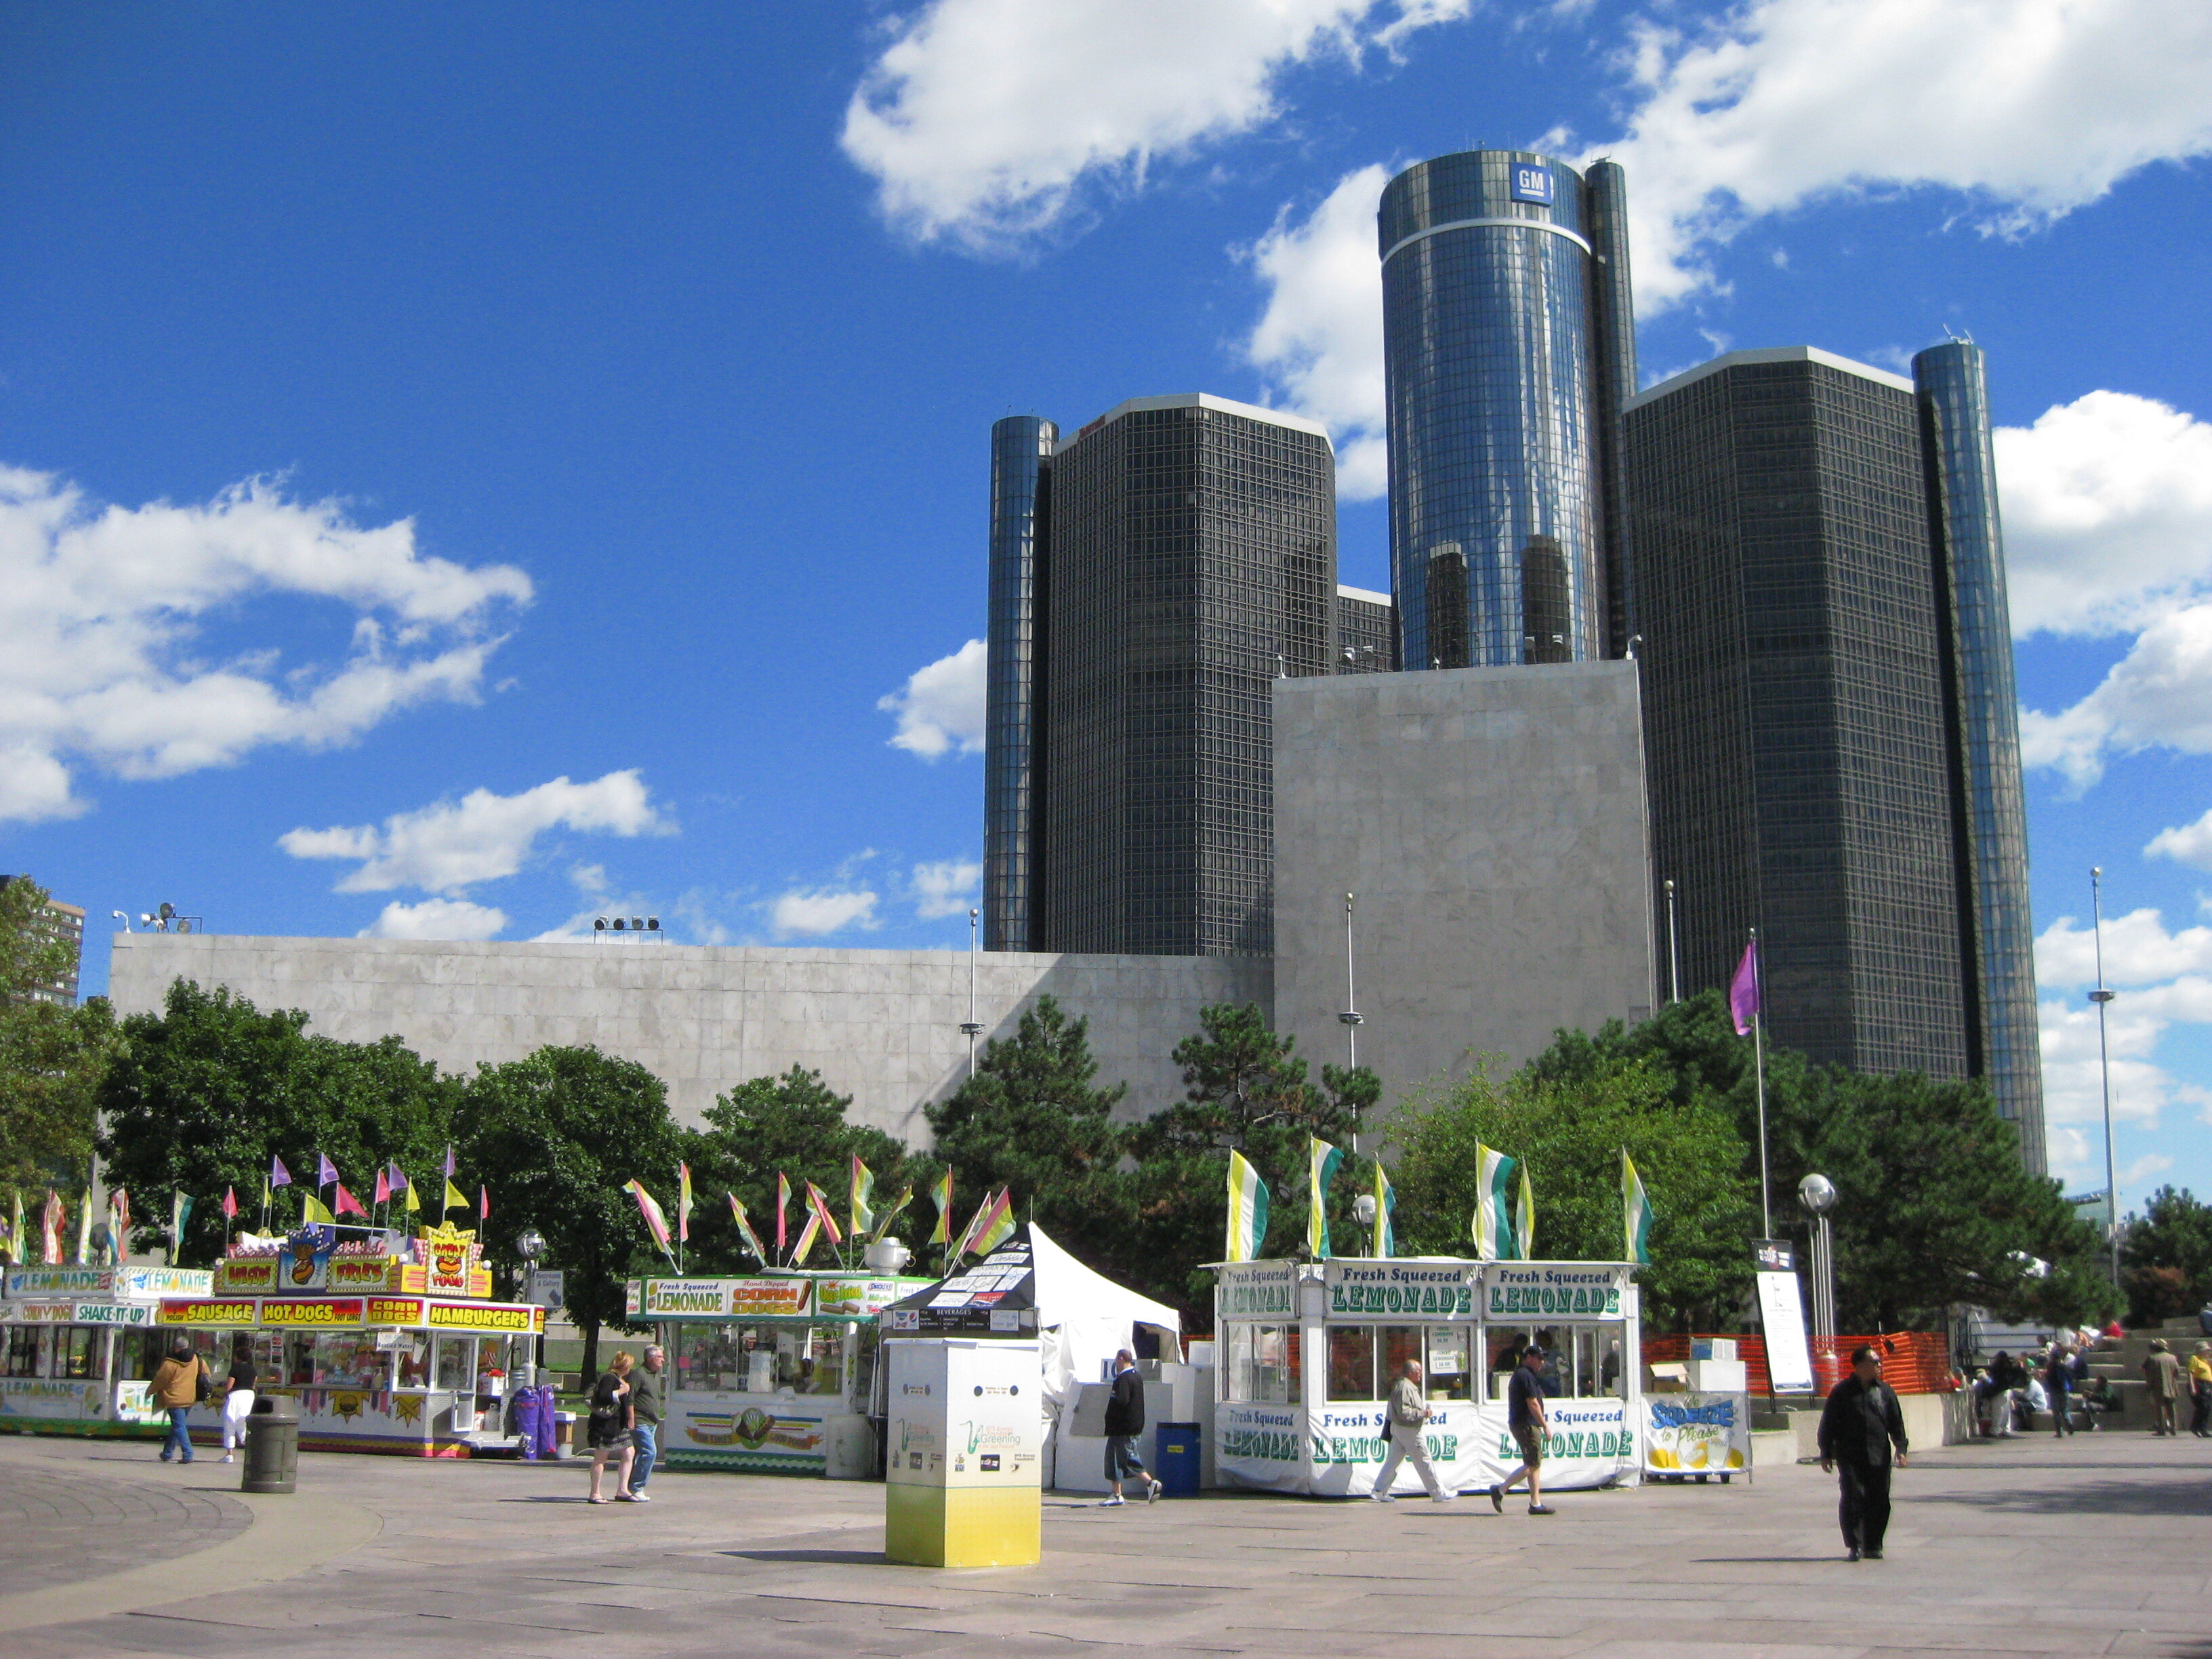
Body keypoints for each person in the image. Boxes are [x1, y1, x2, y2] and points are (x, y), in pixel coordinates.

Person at [1818, 1344, 1909, 1561]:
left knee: (1879, 1499)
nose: (1879, 1365)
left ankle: (1874, 1544)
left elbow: (1896, 1421)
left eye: (1879, 1361)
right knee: (1853, 1497)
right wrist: (1826, 1452)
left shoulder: (1884, 1391)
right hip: (1850, 1455)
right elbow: (1828, 1422)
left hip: (1879, 1454)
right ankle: (1855, 1545)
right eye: (1874, 1361)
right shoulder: (1842, 1392)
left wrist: (1901, 1447)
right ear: (1859, 1366)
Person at [1488, 1343, 1555, 1516]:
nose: (1542, 1362)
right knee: (1533, 1463)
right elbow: (1532, 1403)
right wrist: (1545, 1425)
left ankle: (1535, 1503)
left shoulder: (1527, 1375)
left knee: (1534, 1462)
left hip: (1525, 1423)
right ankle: (1501, 1489)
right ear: (1529, 1358)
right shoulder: (1524, 1375)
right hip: (1526, 1424)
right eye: (1539, 1358)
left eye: (1543, 1358)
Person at [1372, 1359, 1451, 1504]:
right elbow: (1404, 1412)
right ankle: (1438, 1493)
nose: (1421, 1374)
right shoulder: (1405, 1387)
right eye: (1419, 1371)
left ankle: (1379, 1491)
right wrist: (1423, 1413)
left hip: (1400, 1429)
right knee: (1424, 1460)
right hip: (1408, 1430)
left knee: (1393, 1462)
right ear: (1411, 1372)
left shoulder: (1405, 1385)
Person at [1101, 1349, 1160, 1507]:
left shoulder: (1123, 1379)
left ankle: (1150, 1483)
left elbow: (1121, 1402)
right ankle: (1117, 1494)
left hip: (1123, 1428)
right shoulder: (1136, 1376)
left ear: (1121, 1359)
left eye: (1116, 1359)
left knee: (1127, 1458)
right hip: (1129, 1427)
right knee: (1113, 1459)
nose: (1115, 1363)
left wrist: (1111, 1418)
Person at [586, 1351, 636, 1504]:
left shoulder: (620, 1379)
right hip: (604, 1426)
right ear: (624, 1366)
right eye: (629, 1366)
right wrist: (621, 1391)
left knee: (629, 1452)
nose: (630, 1369)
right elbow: (603, 1396)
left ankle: (623, 1489)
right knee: (601, 1458)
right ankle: (595, 1493)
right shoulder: (609, 1377)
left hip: (618, 1426)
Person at [150, 1340, 207, 1464]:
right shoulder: (197, 1359)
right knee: (177, 1425)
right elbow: (206, 1373)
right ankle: (167, 1453)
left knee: (179, 1426)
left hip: (174, 1398)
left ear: (175, 1348)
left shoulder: (170, 1362)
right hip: (190, 1397)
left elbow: (160, 1379)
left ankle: (188, 1453)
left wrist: (150, 1391)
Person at [627, 1345, 665, 1500]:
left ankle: (628, 1487)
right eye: (660, 1357)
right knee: (650, 1452)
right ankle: (637, 1487)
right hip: (640, 1420)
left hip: (652, 1421)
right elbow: (630, 1398)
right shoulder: (638, 1374)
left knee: (641, 1454)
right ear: (650, 1358)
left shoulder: (655, 1374)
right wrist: (631, 1419)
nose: (663, 1360)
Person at [220, 1338, 258, 1465]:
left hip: (236, 1396)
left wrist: (225, 1395)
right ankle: (250, 1450)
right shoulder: (253, 1370)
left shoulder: (235, 1369)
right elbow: (253, 1385)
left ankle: (229, 1454)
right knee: (244, 1422)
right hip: (249, 1395)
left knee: (230, 1422)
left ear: (238, 1357)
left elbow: (229, 1386)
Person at [2142, 1338, 2185, 1436]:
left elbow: (2145, 1370)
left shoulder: (2152, 1358)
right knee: (2171, 1408)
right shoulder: (2172, 1358)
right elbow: (2177, 1372)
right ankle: (2173, 1428)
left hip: (2157, 1387)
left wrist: (2149, 1384)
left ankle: (2161, 1429)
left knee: (2159, 1408)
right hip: (2171, 1386)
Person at [2044, 1343, 2074, 1436]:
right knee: (2065, 1410)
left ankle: (2059, 1431)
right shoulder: (2063, 1366)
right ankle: (2069, 1425)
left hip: (2054, 1391)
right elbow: (2069, 1377)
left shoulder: (2050, 1367)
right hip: (2064, 1390)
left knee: (2056, 1412)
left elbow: (2048, 1379)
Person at [2188, 1342, 2212, 1439]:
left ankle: (2202, 1428)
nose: (2208, 1353)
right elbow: (2190, 1373)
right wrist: (2192, 1387)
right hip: (2199, 1384)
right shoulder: (2194, 1358)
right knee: (2203, 1406)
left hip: (2207, 1385)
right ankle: (2197, 1427)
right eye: (2206, 1351)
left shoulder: (2204, 1361)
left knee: (2207, 1407)